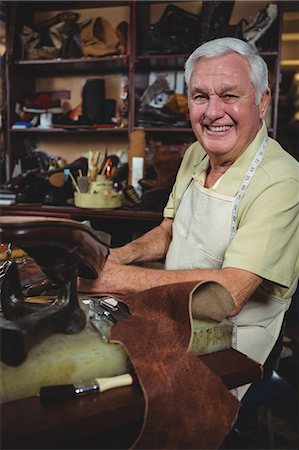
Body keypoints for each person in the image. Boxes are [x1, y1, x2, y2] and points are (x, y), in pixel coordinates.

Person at [78, 37, 299, 397]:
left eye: (229, 96)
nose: (213, 112)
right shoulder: (196, 152)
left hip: (232, 346)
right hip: (173, 315)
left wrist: (116, 277)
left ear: (262, 102)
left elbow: (229, 293)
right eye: (200, 96)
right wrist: (116, 256)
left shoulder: (283, 181)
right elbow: (170, 230)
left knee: (127, 404)